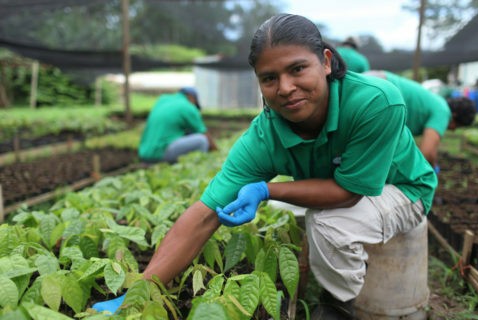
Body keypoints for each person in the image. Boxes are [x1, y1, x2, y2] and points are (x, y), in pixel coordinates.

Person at [93, 14, 437, 319]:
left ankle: (338, 305)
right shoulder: (264, 135)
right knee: (294, 210)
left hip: (403, 190)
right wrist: (139, 290)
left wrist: (266, 189)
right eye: (269, 78)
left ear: (326, 62)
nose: (286, 88)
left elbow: (348, 193)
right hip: (345, 187)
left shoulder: (374, 102)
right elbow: (203, 215)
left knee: (328, 222)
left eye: (298, 69)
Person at [365, 70, 476, 172]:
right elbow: (427, 152)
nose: (452, 130)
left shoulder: (438, 102)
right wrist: (430, 171)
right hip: (379, 89)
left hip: (375, 83)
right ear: (454, 116)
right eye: (456, 126)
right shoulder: (443, 112)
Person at [138, 87, 217, 164]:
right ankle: (197, 167)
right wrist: (217, 153)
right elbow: (205, 134)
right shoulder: (188, 106)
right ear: (191, 97)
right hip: (160, 154)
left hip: (144, 153)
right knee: (202, 140)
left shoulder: (163, 100)